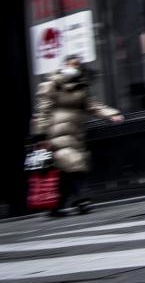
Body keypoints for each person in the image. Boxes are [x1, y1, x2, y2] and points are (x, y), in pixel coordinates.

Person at [30, 55, 124, 217]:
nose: (74, 68)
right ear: (64, 66)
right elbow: (42, 110)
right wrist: (40, 135)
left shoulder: (81, 87)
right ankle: (82, 200)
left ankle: (56, 206)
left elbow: (94, 106)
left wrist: (112, 115)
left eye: (77, 65)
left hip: (75, 133)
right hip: (56, 133)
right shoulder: (52, 84)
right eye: (71, 65)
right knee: (74, 164)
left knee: (66, 170)